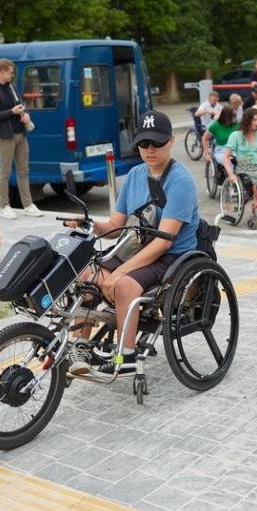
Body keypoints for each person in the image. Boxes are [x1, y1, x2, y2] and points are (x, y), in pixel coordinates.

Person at [66, 110, 200, 376]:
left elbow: (163, 242)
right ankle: (80, 346)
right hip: (136, 247)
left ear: (171, 141)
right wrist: (90, 224)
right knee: (87, 274)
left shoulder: (180, 181)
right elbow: (116, 227)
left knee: (125, 284)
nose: (150, 149)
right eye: (144, 143)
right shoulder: (135, 176)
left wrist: (119, 272)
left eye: (157, 143)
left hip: (170, 255)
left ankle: (126, 356)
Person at [0, 58, 43, 220]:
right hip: (5, 136)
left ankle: (28, 205)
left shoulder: (12, 87)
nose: (12, 75)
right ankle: (5, 206)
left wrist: (25, 113)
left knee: (24, 170)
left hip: (21, 134)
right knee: (5, 171)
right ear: (1, 72)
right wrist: (12, 112)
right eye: (10, 72)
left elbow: (21, 104)